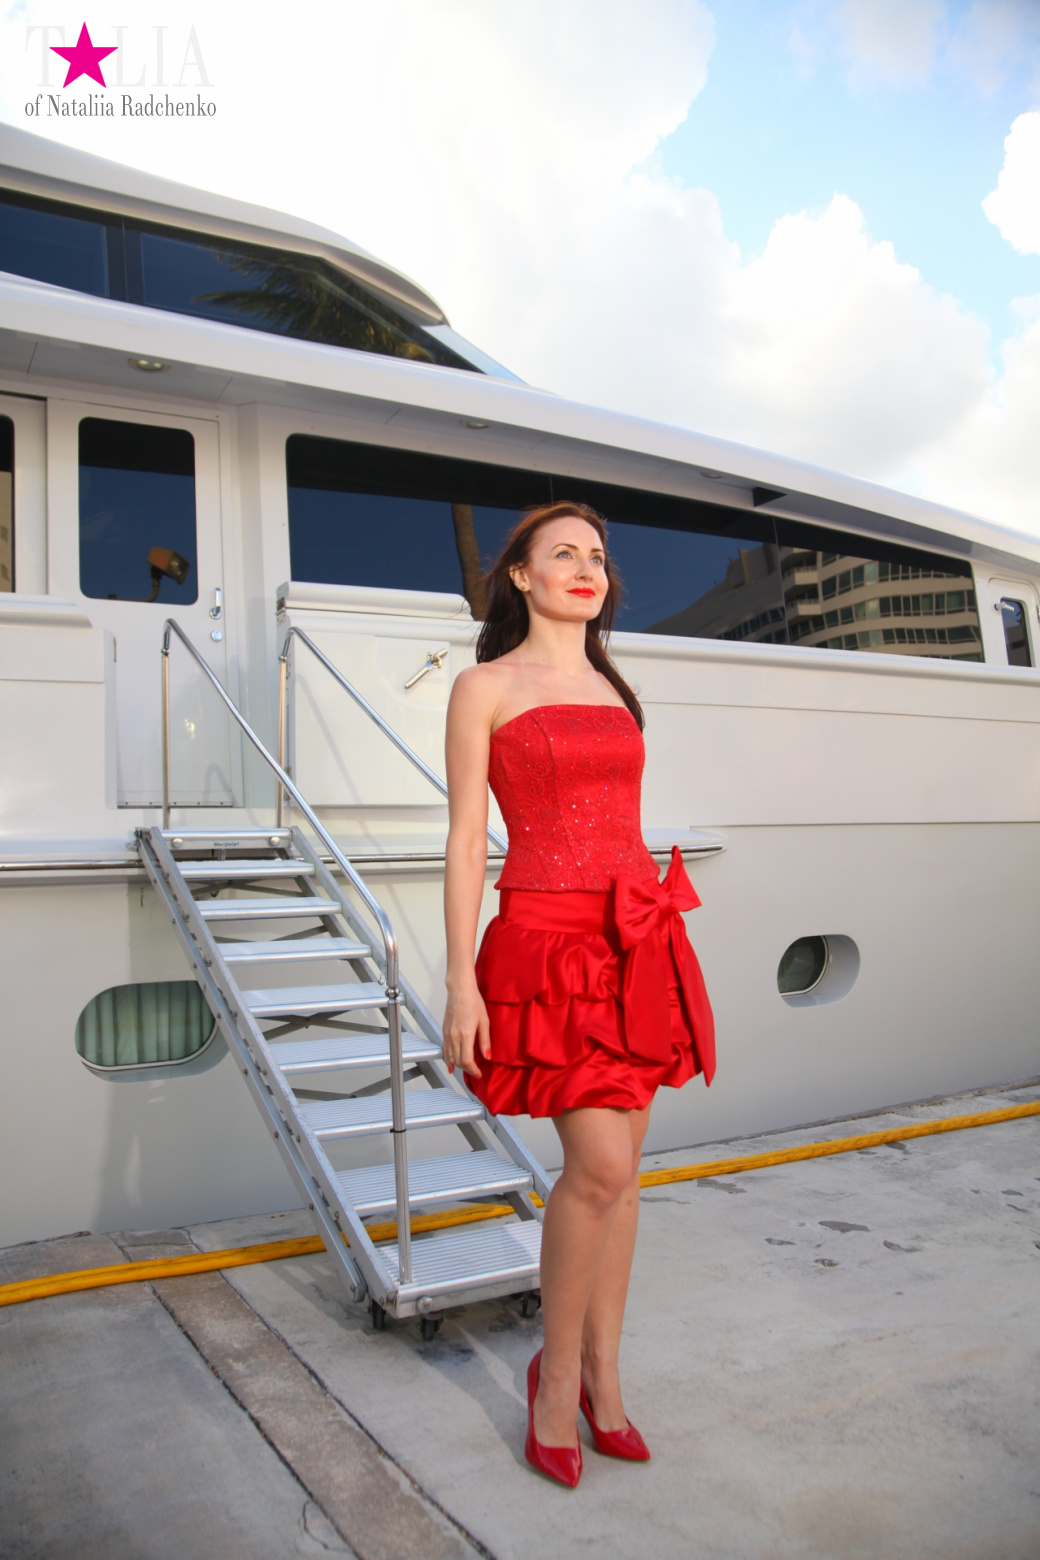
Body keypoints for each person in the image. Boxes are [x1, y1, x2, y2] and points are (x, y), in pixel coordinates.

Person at [442, 501, 715, 1488]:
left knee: (625, 1174)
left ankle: (603, 1376)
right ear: (518, 574)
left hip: (634, 939)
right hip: (545, 941)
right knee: (596, 1168)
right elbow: (469, 836)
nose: (584, 567)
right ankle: (553, 1381)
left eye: (595, 556)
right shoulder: (482, 685)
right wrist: (460, 976)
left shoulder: (612, 682)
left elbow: (620, 818)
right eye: (561, 553)